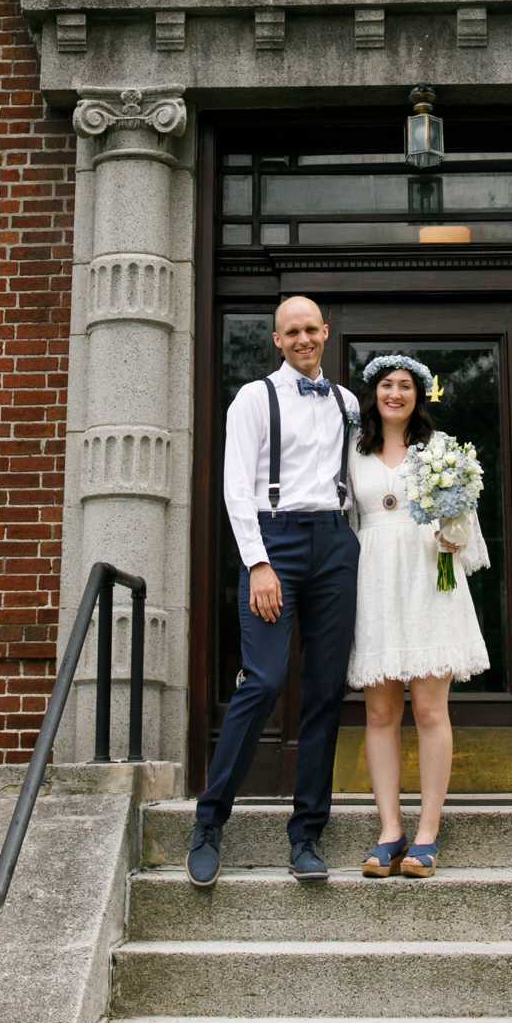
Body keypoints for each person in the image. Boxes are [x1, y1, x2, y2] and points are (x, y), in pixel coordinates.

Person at [188, 296, 360, 891]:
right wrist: (259, 564)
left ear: (326, 332)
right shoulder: (254, 399)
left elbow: (358, 484)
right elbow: (237, 488)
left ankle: (307, 835)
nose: (304, 338)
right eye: (293, 331)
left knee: (324, 691)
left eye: (312, 328)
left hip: (336, 545)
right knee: (262, 680)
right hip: (276, 542)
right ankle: (209, 822)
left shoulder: (348, 402)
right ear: (277, 340)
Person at [349, 354, 490, 880]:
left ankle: (427, 833)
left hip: (429, 580)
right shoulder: (353, 452)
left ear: (418, 395)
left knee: (430, 710)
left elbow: (463, 523)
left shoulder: (441, 448)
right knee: (381, 712)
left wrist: (452, 533)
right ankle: (390, 830)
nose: (395, 393)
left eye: (405, 385)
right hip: (374, 582)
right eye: (387, 384)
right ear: (374, 393)